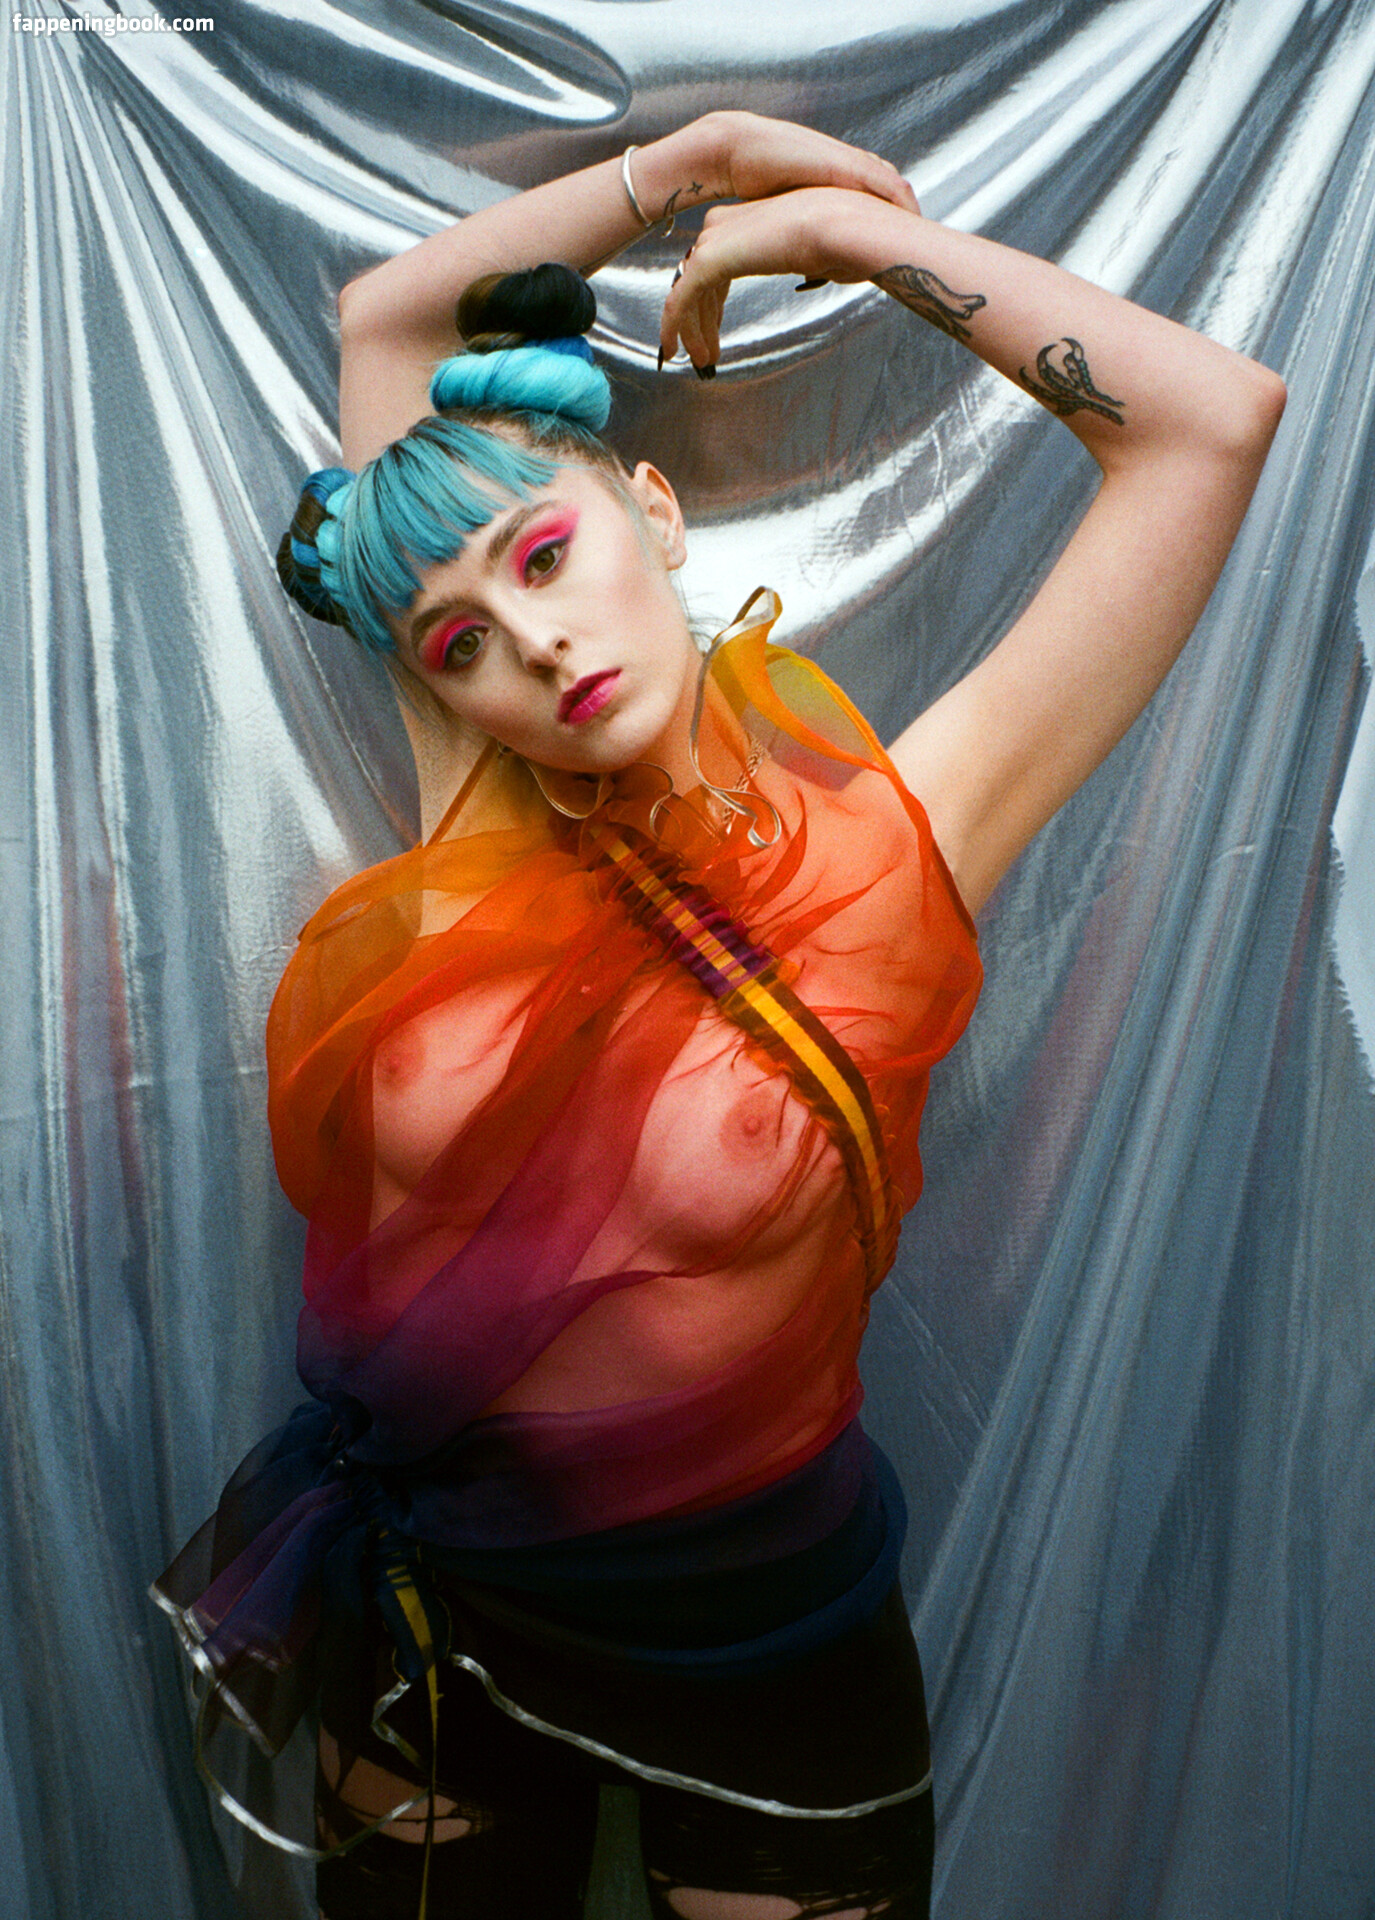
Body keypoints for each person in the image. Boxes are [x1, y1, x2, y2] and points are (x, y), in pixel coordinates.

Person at [155, 111, 1284, 1920]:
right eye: (454, 639)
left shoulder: (904, 847)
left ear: (652, 510)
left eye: (542, 556)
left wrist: (834, 236)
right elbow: (386, 320)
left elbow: (1208, 422)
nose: (527, 644)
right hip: (440, 1614)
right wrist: (692, 156)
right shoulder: (476, 798)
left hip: (757, 1636)